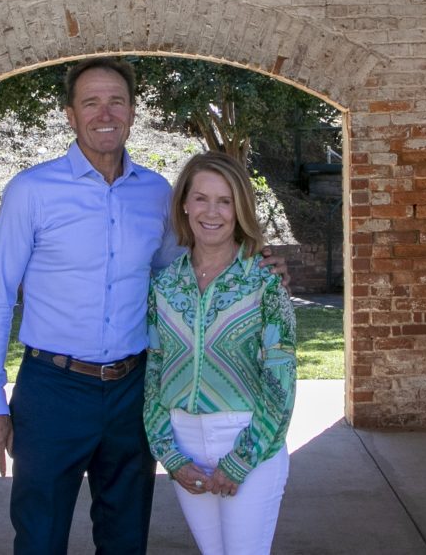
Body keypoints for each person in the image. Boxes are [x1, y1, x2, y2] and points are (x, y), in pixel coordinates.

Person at [0, 57, 289, 554]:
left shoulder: (157, 194)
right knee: (39, 538)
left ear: (132, 112)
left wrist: (258, 262)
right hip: (53, 388)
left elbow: (182, 271)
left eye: (116, 101)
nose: (105, 113)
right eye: (91, 102)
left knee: (124, 540)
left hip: (131, 391)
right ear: (70, 114)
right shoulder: (32, 192)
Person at [144, 151, 297, 555]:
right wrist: (169, 455)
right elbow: (153, 374)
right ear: (184, 205)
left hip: (249, 440)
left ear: (240, 208)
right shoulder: (164, 285)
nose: (211, 212)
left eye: (224, 201)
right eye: (200, 198)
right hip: (184, 444)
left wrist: (241, 459)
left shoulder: (263, 282)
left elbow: (281, 383)